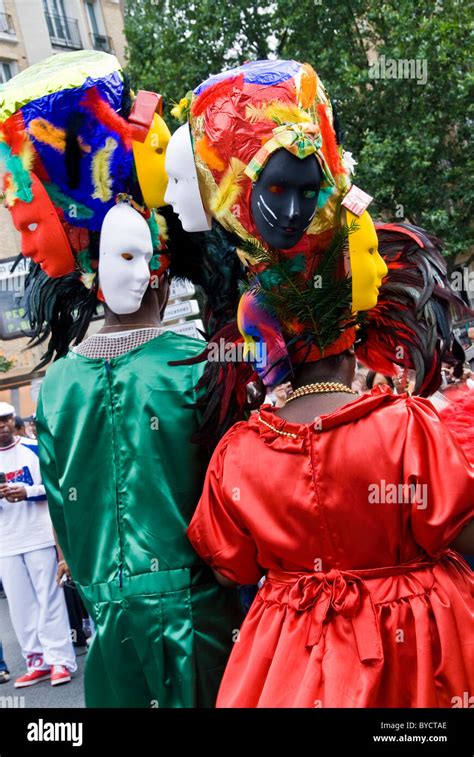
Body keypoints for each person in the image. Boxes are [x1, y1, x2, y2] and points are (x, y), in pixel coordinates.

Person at [182, 59, 473, 707]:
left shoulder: (239, 456)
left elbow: (229, 561)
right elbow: (462, 525)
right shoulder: (406, 428)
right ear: (361, 313)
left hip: (288, 670)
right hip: (417, 659)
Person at [0, 51, 242, 707]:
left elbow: (70, 529)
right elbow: (231, 517)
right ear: (164, 265)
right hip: (202, 624)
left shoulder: (56, 388)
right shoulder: (196, 365)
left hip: (111, 633)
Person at [0, 402, 76, 687]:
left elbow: (57, 488)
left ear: (13, 421)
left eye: (7, 420)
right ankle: (37, 661)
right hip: (5, 543)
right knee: (20, 606)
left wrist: (28, 491)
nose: (2, 426)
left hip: (38, 536)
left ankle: (60, 661)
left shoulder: (33, 448)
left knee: (50, 600)